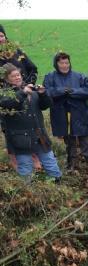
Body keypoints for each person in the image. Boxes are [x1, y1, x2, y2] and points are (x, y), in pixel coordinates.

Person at [0, 64, 62, 181]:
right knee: (25, 166)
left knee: (50, 162)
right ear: (7, 79)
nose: (17, 78)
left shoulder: (30, 90)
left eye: (18, 75)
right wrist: (23, 93)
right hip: (20, 138)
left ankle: (58, 187)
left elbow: (45, 106)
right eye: (13, 76)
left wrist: (43, 94)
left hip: (39, 134)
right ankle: (28, 193)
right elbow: (8, 104)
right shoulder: (4, 94)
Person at [43, 52, 88, 170]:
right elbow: (47, 92)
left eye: (66, 62)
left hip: (81, 112)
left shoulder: (79, 76)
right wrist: (62, 90)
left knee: (85, 139)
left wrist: (72, 91)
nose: (64, 65)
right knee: (69, 140)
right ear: (56, 64)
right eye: (61, 63)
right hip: (62, 114)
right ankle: (72, 164)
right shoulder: (50, 77)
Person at [0, 24, 38, 170]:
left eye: (2, 35)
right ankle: (15, 161)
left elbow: (33, 69)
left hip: (23, 94)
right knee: (7, 127)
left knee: (30, 123)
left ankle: (34, 157)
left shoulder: (15, 52)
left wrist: (27, 85)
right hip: (4, 98)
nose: (0, 39)